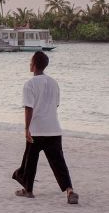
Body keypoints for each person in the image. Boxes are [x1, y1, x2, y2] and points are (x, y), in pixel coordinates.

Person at [12, 51, 79, 204]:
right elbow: (56, 105)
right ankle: (69, 191)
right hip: (53, 129)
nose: (29, 64)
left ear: (35, 65)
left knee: (30, 161)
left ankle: (28, 190)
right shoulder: (54, 83)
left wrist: (26, 129)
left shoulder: (30, 84)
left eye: (31, 62)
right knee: (59, 163)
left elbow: (29, 108)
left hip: (36, 130)